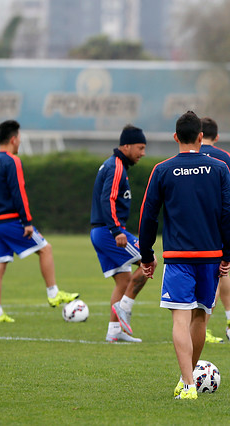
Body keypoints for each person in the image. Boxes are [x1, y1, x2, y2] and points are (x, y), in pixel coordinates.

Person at [138, 111, 230, 400]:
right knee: (201, 319)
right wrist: (228, 252)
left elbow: (148, 216)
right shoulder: (219, 168)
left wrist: (146, 256)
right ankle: (188, 379)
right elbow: (229, 213)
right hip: (210, 256)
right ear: (200, 138)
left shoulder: (162, 170)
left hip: (178, 257)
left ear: (175, 138)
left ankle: (188, 384)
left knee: (179, 320)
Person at [0, 120, 79, 322]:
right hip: (10, 220)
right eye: (19, 138)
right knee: (45, 248)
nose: (19, 142)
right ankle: (54, 294)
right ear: (13, 139)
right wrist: (27, 222)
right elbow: (19, 192)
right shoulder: (13, 161)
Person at [90, 125, 149, 343]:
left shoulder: (115, 165)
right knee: (149, 261)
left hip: (100, 231)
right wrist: (116, 230)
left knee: (123, 282)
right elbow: (108, 199)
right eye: (140, 148)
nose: (142, 153)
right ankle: (125, 308)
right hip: (109, 231)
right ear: (126, 146)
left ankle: (114, 331)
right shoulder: (115, 167)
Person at [199, 117, 230, 343]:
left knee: (219, 271)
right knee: (215, 274)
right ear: (216, 137)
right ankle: (203, 328)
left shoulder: (190, 156)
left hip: (193, 226)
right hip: (218, 226)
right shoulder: (224, 157)